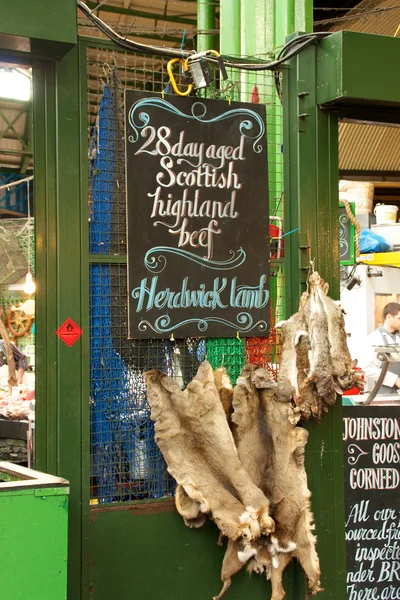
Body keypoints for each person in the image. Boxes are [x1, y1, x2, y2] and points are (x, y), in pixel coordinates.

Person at [359, 302, 400, 395]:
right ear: (389, 317)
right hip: (385, 394)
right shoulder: (373, 338)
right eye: (399, 318)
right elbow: (367, 368)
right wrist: (395, 380)